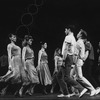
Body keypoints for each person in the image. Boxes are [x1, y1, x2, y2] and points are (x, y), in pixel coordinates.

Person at [57, 28, 87, 98]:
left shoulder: (68, 37)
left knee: (66, 77)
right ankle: (65, 93)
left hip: (67, 57)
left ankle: (81, 89)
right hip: (68, 57)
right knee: (59, 76)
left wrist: (63, 60)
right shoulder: (73, 38)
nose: (65, 31)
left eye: (65, 30)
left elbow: (66, 49)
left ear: (68, 30)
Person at [75, 29, 96, 96]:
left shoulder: (79, 42)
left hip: (78, 60)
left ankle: (92, 89)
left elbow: (77, 53)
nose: (77, 33)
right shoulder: (80, 42)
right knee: (75, 77)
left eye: (79, 33)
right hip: (79, 60)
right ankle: (78, 91)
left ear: (81, 35)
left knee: (80, 77)